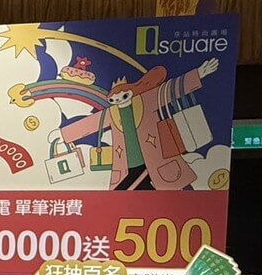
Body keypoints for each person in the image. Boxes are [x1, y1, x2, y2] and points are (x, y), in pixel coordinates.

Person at [53, 58, 219, 190]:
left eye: (123, 97)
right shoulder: (113, 112)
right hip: (127, 166)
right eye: (114, 100)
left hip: (155, 160)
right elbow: (92, 123)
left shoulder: (145, 101)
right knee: (133, 199)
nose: (119, 101)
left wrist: (198, 74)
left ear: (131, 92)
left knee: (172, 193)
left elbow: (169, 91)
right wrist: (63, 135)